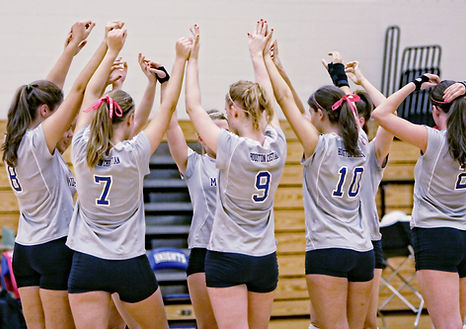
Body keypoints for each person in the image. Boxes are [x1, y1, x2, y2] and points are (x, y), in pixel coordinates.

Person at [66, 24, 193, 328]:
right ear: (132, 120)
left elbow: (91, 91)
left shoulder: (80, 147)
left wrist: (111, 49)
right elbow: (166, 109)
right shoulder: (134, 154)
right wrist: (176, 62)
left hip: (87, 263)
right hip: (128, 262)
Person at [1, 20, 108, 329]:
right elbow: (74, 90)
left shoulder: (18, 138)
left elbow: (50, 90)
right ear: (46, 113)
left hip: (26, 251)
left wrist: (71, 48)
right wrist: (106, 47)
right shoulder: (38, 143)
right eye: (58, 112)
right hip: (53, 247)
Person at [265, 30, 374, 329]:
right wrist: (281, 66)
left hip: (328, 250)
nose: (306, 116)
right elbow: (345, 104)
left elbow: (286, 100)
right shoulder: (362, 141)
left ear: (319, 114)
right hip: (362, 250)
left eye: (310, 112)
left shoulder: (319, 145)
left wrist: (266, 61)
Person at [184, 23, 286, 329]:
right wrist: (257, 56)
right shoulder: (278, 144)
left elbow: (192, 106)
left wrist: (192, 59)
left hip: (228, 255)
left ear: (233, 111)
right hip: (264, 257)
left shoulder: (229, 146)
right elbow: (270, 101)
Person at [372, 75, 466, 329]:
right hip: (464, 235)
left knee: (448, 325)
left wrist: (415, 83)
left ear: (435, 110)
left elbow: (381, 114)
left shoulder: (433, 139)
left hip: (435, 237)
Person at [323, 52, 396, 329]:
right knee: (331, 320)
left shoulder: (371, 149)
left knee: (367, 321)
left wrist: (360, 80)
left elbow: (390, 114)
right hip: (334, 241)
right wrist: (338, 80)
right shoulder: (327, 146)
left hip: (367, 240)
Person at [166, 108, 227, 329]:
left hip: (236, 251)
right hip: (204, 251)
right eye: (215, 131)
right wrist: (164, 85)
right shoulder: (195, 164)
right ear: (201, 136)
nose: (221, 138)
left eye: (226, 132)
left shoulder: (240, 162)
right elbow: (171, 125)